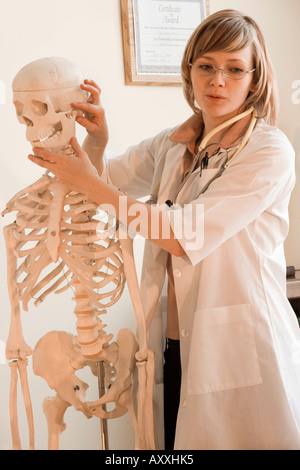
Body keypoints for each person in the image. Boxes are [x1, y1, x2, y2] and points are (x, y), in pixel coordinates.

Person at [28, 9, 300, 450]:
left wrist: (92, 184)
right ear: (189, 70)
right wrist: (96, 140)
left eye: (234, 69)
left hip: (237, 344)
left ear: (254, 79)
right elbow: (107, 178)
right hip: (172, 344)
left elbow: (180, 233)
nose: (218, 81)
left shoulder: (268, 151)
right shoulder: (173, 144)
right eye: (206, 66)